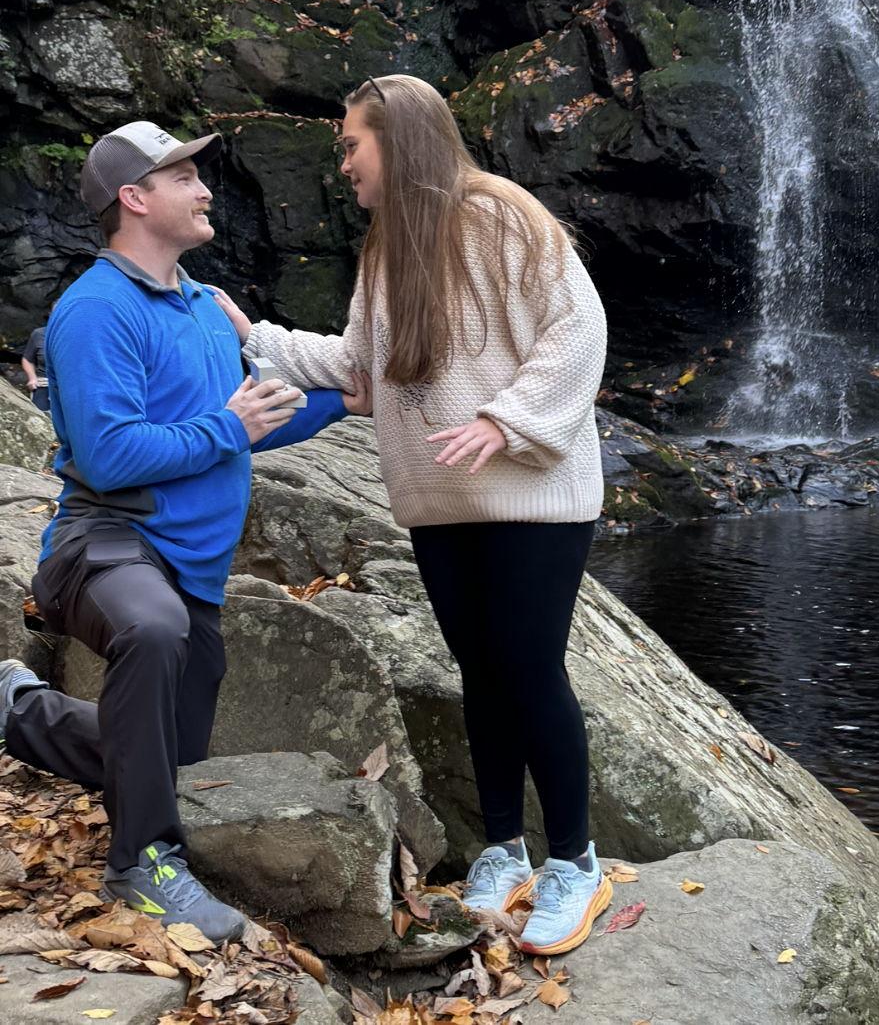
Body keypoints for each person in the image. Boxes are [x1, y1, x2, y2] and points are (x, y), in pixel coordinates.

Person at [212, 74, 611, 956]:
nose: (344, 161)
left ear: (401, 140)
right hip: (441, 503)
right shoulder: (387, 247)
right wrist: (255, 334)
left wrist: (502, 421)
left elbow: (576, 330)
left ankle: (577, 862)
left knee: (530, 667)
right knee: (481, 669)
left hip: (530, 499)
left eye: (352, 143)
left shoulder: (500, 213)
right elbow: (360, 363)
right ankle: (505, 849)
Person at [0, 120, 370, 942]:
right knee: (155, 634)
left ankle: (18, 712)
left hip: (189, 570)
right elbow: (110, 452)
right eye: (183, 178)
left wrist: (342, 403)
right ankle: (142, 863)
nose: (206, 190)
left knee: (169, 763)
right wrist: (229, 427)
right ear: (134, 199)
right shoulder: (93, 310)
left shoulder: (204, 308)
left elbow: (249, 420)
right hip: (103, 543)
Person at [20, 325, 49, 412]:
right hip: (43, 383)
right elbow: (27, 359)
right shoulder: (39, 333)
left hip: (69, 385)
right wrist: (32, 378)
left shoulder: (79, 335)